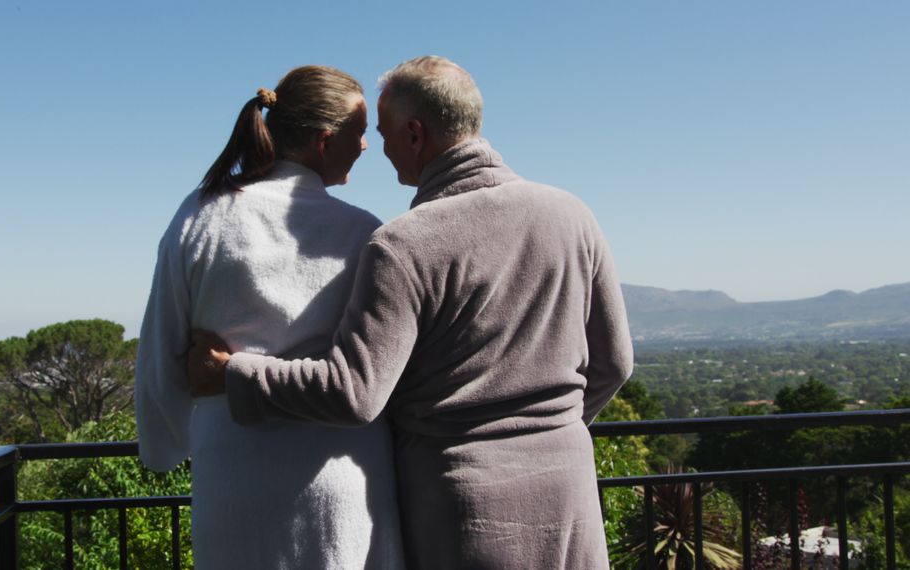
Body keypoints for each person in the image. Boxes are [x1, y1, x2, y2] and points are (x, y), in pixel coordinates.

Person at [187, 56, 633, 569]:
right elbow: (615, 364)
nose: (377, 148)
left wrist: (233, 374)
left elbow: (354, 392)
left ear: (416, 134)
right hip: (572, 496)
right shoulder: (572, 215)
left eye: (384, 134)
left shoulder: (405, 244)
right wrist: (552, 436)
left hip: (465, 510)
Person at [135, 65, 404, 569]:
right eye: (359, 133)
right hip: (338, 480)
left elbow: (161, 346)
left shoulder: (201, 214)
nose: (366, 146)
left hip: (232, 478)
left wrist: (164, 445)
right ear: (325, 141)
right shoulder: (364, 234)